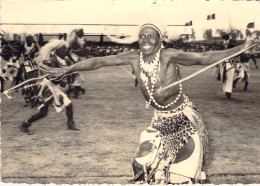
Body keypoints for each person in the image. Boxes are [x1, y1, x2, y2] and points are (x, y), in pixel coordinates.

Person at [41, 23, 258, 184]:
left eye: (150, 36)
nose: (145, 40)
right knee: (141, 164)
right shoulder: (134, 58)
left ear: (160, 40)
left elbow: (204, 58)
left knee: (180, 175)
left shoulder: (169, 55)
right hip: (159, 120)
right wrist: (67, 69)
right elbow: (98, 62)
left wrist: (240, 48)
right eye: (142, 36)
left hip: (183, 121)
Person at [19, 40, 80, 134]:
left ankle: (70, 124)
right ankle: (25, 124)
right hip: (49, 87)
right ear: (57, 50)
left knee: (68, 104)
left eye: (65, 49)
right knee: (43, 113)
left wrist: (71, 75)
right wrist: (67, 76)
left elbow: (70, 72)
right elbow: (56, 76)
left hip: (56, 87)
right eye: (63, 49)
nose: (65, 51)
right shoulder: (53, 60)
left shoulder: (66, 61)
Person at [219, 32, 238, 98]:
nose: (223, 37)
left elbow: (236, 47)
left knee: (230, 76)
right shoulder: (222, 43)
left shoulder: (232, 42)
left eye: (224, 35)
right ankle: (225, 90)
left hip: (230, 61)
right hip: (223, 62)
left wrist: (233, 42)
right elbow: (220, 52)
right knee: (223, 77)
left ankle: (228, 91)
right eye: (223, 36)